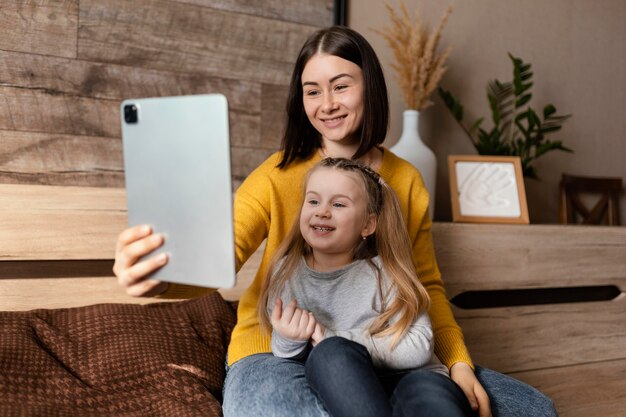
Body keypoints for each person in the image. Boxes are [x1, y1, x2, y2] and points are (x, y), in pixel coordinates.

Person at [113, 26, 557, 417]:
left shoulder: (405, 179)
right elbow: (218, 254)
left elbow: (426, 287)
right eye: (312, 91)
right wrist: (161, 278)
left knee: (533, 409)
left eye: (340, 86)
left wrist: (457, 363)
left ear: (370, 88)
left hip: (388, 353)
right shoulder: (277, 175)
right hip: (278, 352)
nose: (326, 104)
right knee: (265, 410)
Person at [261, 157, 474, 417]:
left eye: (338, 204)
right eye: (313, 201)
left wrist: (333, 336)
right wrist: (288, 338)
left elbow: (419, 345)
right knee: (330, 354)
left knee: (429, 395)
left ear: (368, 225)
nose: (322, 211)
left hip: (415, 379)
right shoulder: (286, 272)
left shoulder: (386, 273)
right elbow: (285, 353)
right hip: (347, 386)